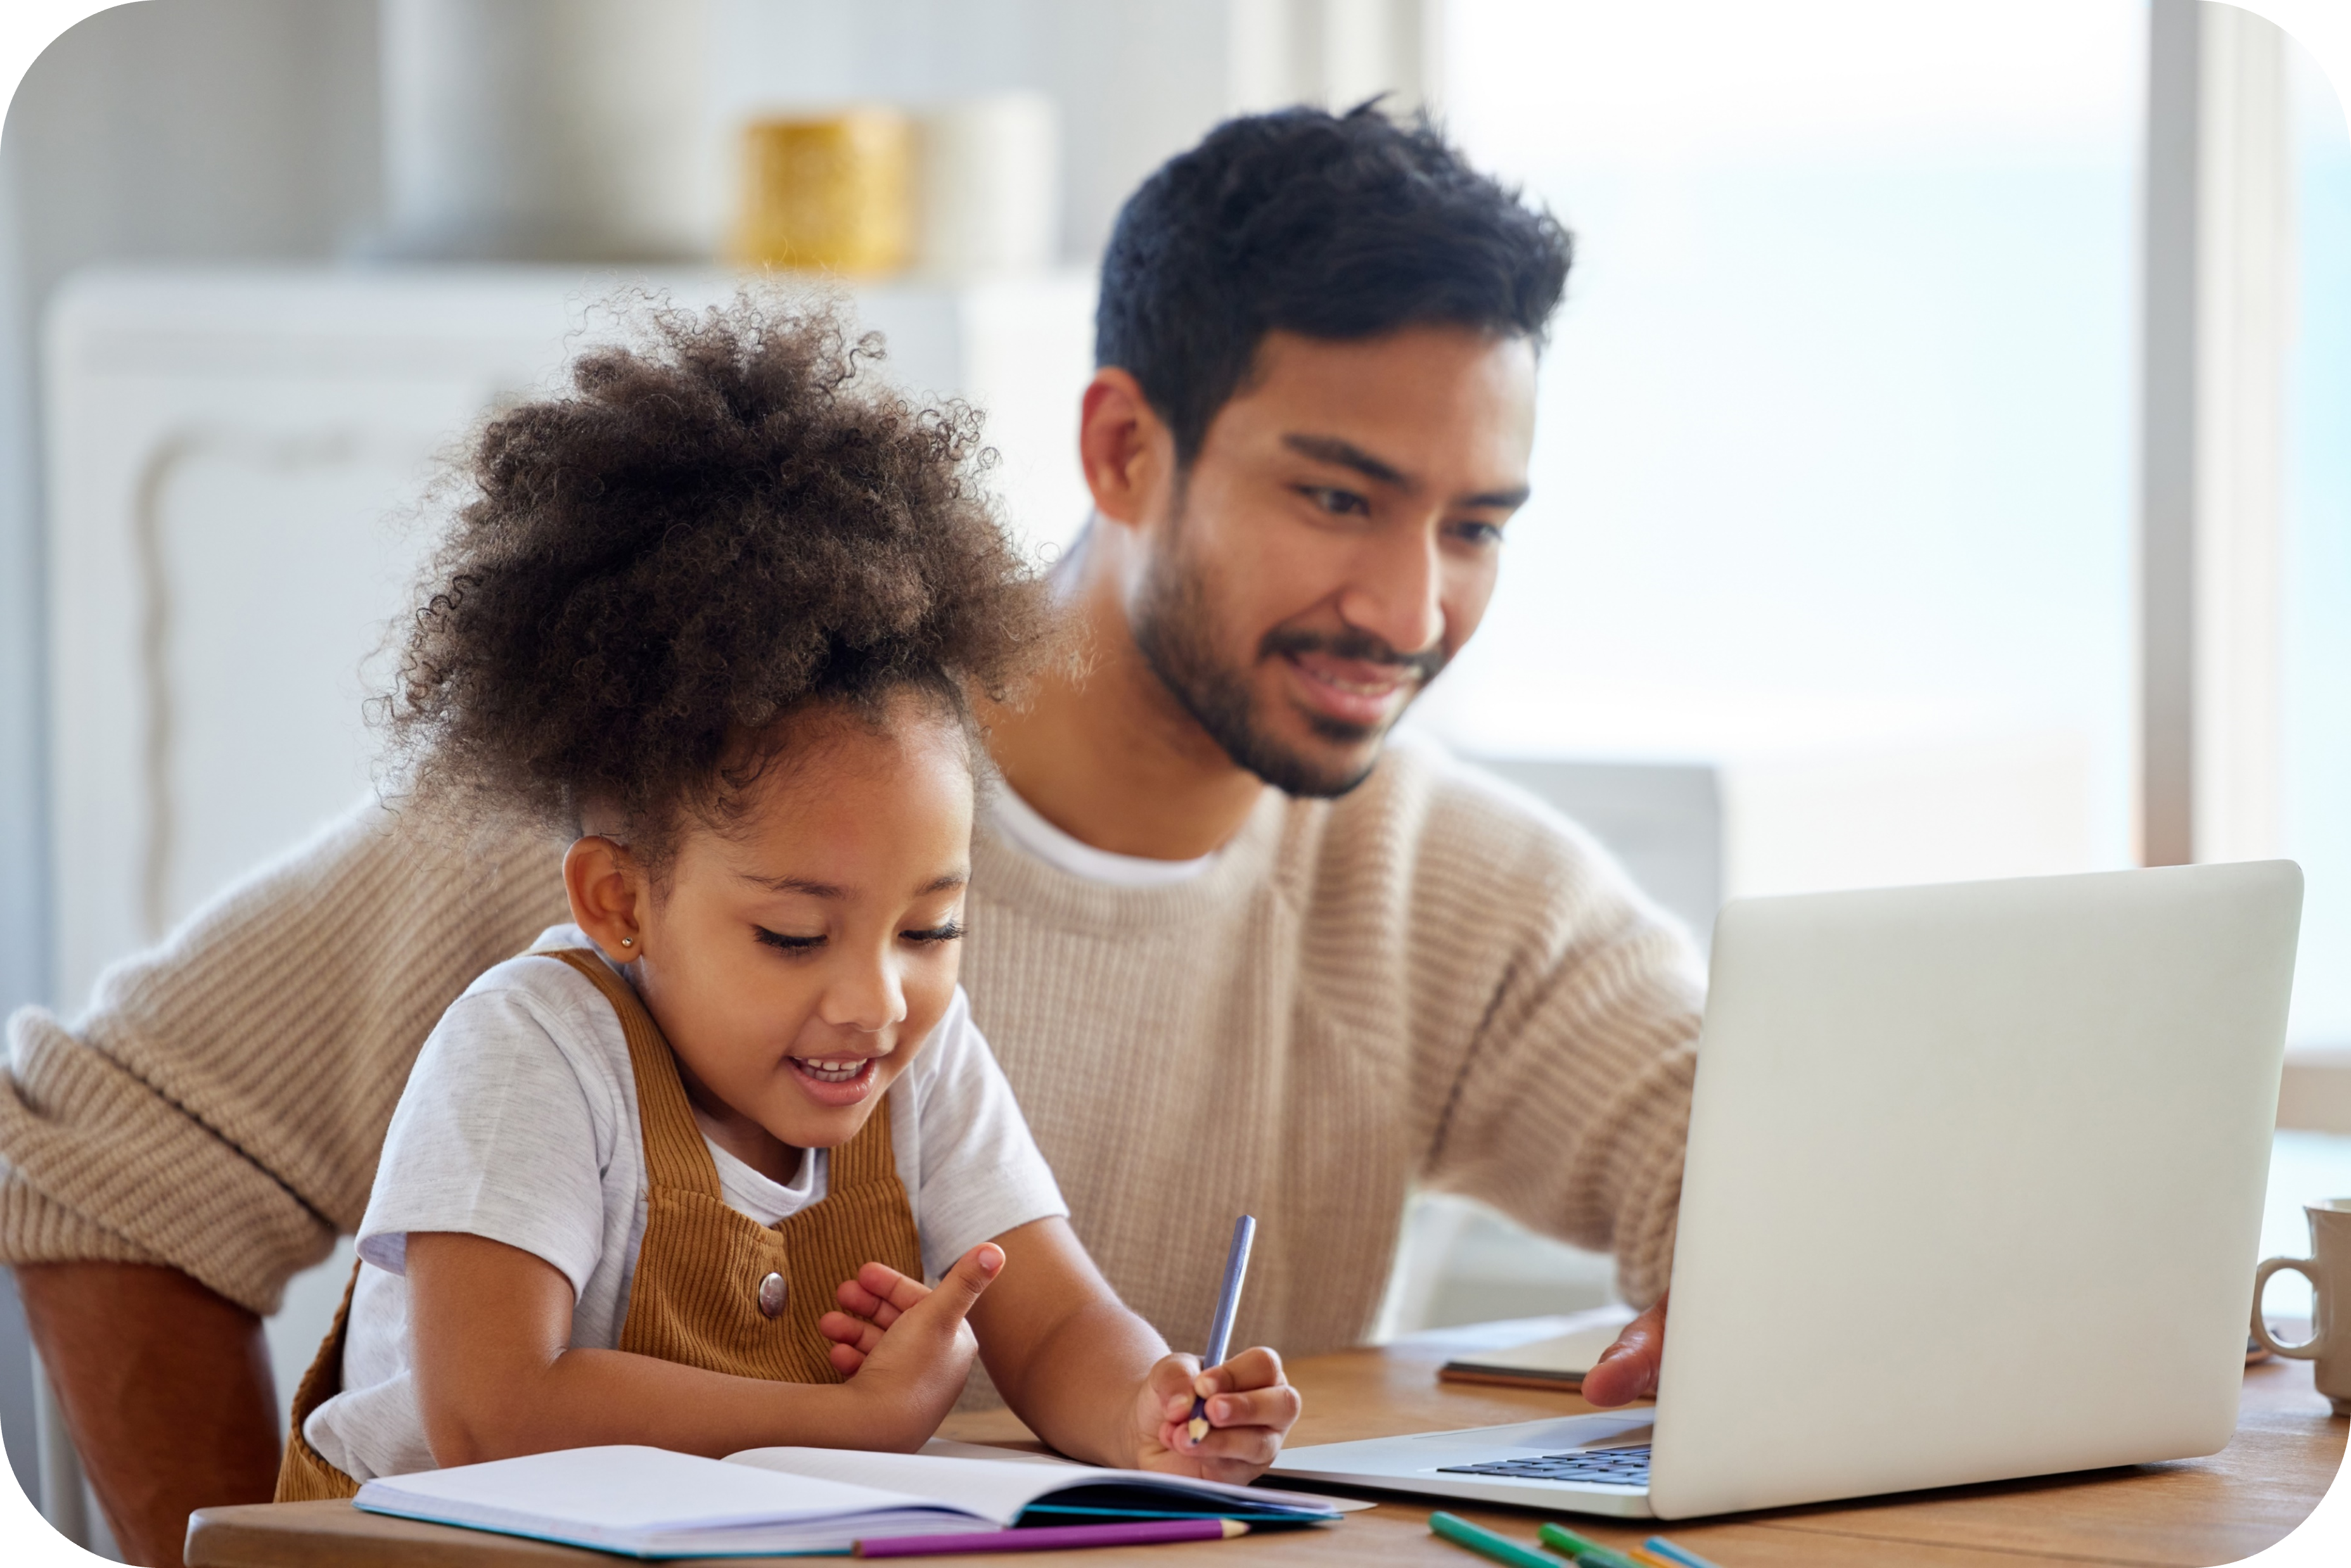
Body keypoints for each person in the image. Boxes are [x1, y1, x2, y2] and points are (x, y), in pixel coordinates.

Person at [3, 104, 1694, 1564]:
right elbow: (90, 1159)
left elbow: (1730, 1133)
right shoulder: (639, 789)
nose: (1409, 605)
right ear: (1119, 446)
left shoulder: (1452, 891)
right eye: (1335, 495)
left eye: (1473, 524)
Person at [269, 302, 1297, 1498]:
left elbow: (1058, 1321)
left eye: (931, 928)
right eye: (794, 934)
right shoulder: (529, 1055)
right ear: (621, 900)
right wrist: (848, 1419)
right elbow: (498, 1414)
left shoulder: (921, 1060)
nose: (874, 998)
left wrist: (1150, 1410)